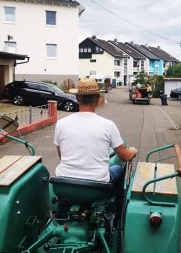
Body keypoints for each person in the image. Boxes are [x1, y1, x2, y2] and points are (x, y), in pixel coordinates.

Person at [54, 77, 137, 209]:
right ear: (98, 99)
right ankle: (118, 207)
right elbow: (125, 157)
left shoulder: (61, 124)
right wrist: (133, 150)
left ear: (77, 98)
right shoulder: (108, 126)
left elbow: (62, 156)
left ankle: (62, 213)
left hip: (63, 184)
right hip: (97, 188)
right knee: (118, 170)